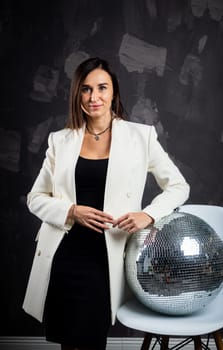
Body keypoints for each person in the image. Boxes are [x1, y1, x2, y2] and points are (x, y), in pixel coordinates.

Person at [23, 57, 190, 350]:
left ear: (114, 92)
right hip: (64, 255)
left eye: (102, 88)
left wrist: (148, 215)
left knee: (91, 339)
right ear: (77, 94)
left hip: (107, 257)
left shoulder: (141, 136)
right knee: (69, 341)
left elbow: (178, 187)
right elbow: (35, 199)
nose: (94, 97)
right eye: (86, 89)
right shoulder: (59, 141)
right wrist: (71, 211)